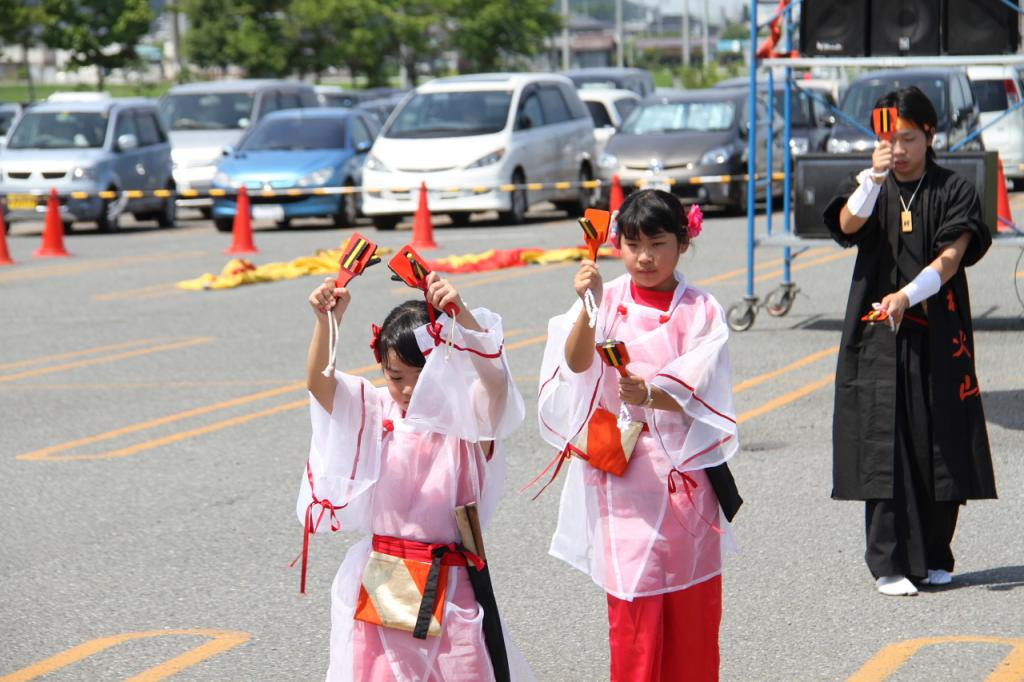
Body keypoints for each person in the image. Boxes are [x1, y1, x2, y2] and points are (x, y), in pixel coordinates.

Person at [536, 189, 740, 681]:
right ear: (617, 247)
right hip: (622, 472)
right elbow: (577, 364)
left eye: (658, 243)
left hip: (684, 474)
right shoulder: (606, 300)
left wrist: (650, 393)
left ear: (683, 243)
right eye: (632, 244)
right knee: (634, 621)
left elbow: (702, 388)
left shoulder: (702, 309)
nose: (645, 257)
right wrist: (586, 306)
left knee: (692, 621)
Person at [298, 270, 533, 680]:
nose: (407, 390)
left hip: (452, 576)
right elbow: (320, 385)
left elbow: (498, 385)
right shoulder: (373, 411)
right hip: (388, 575)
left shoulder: (467, 416)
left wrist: (463, 317)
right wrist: (327, 323)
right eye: (395, 377)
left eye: (420, 375)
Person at [823, 86, 996, 597]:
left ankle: (937, 555)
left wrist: (906, 294)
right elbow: (846, 224)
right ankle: (888, 563)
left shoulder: (954, 189)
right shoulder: (870, 184)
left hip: (936, 330)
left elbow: (950, 257)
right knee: (885, 443)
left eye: (908, 138)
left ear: (929, 135)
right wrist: (873, 179)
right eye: (889, 138)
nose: (898, 148)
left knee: (940, 440)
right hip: (877, 335)